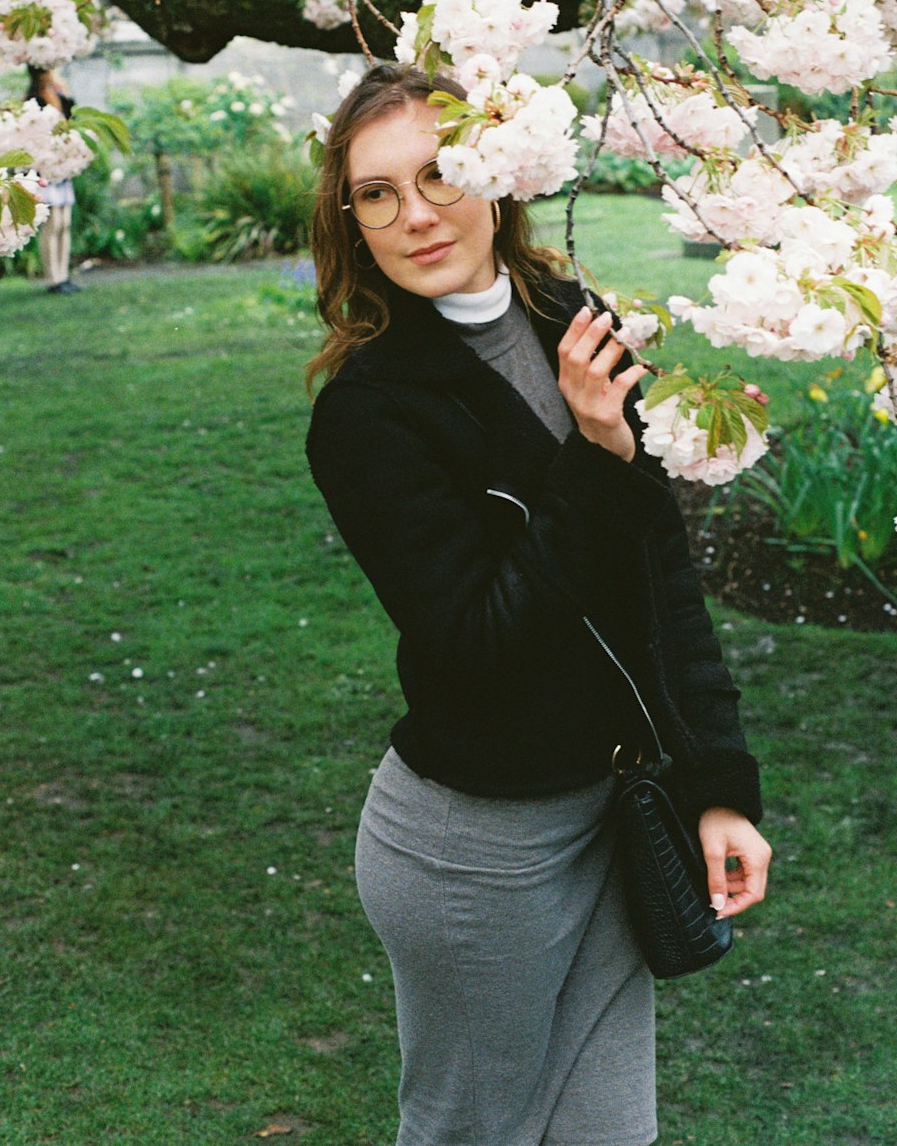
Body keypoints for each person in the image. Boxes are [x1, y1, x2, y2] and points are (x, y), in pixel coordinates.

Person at [305, 62, 772, 1146]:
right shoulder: (369, 416)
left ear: (500, 172)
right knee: (472, 1133)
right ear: (351, 219)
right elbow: (476, 639)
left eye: (438, 172)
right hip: (473, 850)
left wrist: (716, 785)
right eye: (376, 193)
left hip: (613, 813)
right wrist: (598, 460)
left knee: (613, 1134)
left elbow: (659, 578)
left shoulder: (572, 317)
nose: (415, 213)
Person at [26, 64, 80, 294]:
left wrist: (64, 92)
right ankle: (53, 278)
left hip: (62, 166)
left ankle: (64, 275)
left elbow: (71, 117)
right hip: (44, 168)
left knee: (64, 223)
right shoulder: (34, 100)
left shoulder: (58, 96)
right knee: (52, 224)